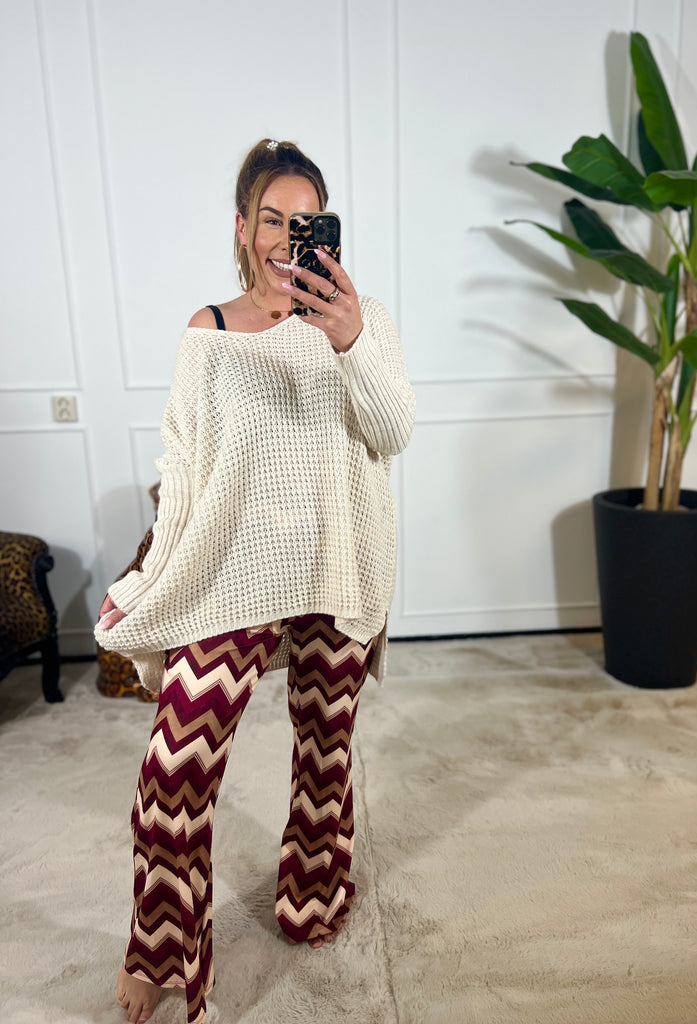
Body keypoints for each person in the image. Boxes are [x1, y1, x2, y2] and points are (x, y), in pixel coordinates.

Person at [94, 138, 415, 1024]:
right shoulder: (208, 333)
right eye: (271, 219)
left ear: (326, 231)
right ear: (242, 227)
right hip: (233, 575)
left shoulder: (360, 319)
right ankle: (160, 950)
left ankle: (313, 891)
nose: (285, 238)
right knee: (172, 774)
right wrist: (151, 579)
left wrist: (349, 340)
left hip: (337, 566)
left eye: (304, 221)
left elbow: (393, 431)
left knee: (326, 752)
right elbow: (184, 467)